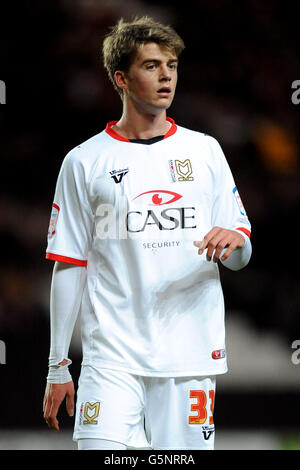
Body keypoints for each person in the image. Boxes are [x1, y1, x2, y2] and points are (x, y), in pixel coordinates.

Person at [43, 16, 252, 451]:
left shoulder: (205, 151)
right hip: (110, 359)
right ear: (121, 77)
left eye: (172, 66)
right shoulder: (83, 162)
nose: (167, 76)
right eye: (152, 66)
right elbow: (69, 264)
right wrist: (57, 366)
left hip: (188, 356)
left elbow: (239, 253)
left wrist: (236, 244)